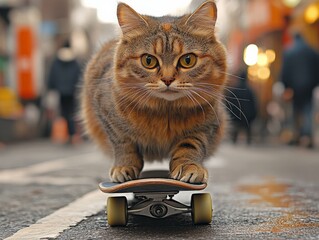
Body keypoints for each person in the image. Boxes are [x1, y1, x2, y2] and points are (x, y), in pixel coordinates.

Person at [281, 33, 319, 149]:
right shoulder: (311, 51)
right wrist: (315, 83)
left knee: (294, 111)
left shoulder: (289, 51)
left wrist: (286, 86)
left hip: (294, 87)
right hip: (308, 86)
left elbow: (285, 70)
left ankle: (295, 135)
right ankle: (306, 136)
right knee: (308, 111)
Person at [48, 40, 82, 144]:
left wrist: (51, 87)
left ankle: (68, 134)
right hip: (72, 91)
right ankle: (72, 135)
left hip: (61, 91)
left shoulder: (57, 60)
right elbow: (79, 74)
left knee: (64, 113)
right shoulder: (74, 61)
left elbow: (52, 75)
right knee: (72, 113)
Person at [226, 69, 257, 145]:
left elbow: (230, 103)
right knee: (248, 129)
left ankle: (234, 141)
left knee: (236, 128)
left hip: (237, 114)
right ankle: (248, 142)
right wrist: (253, 114)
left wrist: (231, 113)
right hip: (247, 115)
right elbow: (253, 103)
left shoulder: (235, 90)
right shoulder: (250, 91)